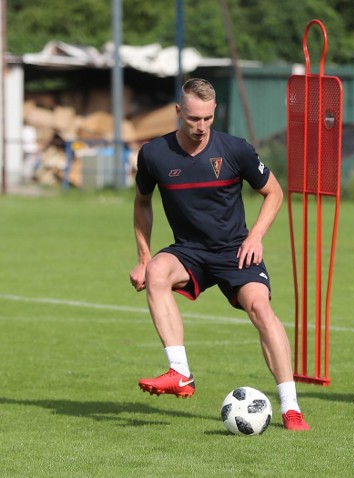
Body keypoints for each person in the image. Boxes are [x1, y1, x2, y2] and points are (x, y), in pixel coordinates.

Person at [129, 78, 310, 431]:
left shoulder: (235, 150)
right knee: (157, 273)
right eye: (194, 118)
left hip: (234, 250)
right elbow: (142, 202)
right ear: (179, 112)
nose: (201, 127)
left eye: (208, 119)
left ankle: (291, 407)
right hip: (189, 251)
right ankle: (180, 372)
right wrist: (143, 256)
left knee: (260, 309)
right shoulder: (154, 154)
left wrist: (256, 237)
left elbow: (274, 193)